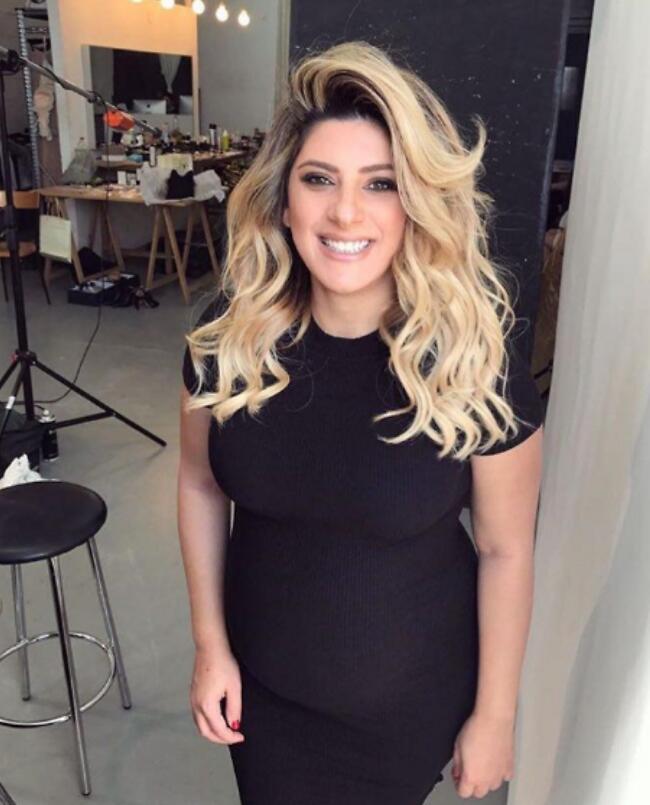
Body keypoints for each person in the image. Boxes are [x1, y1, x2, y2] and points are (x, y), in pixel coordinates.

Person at [177, 40, 544, 805]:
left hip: (405, 712)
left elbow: (505, 548)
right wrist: (210, 645)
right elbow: (200, 484)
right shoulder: (228, 339)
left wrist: (497, 714)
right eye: (319, 179)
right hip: (263, 699)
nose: (346, 212)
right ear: (284, 200)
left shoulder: (474, 361)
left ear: (416, 205)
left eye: (381, 183)